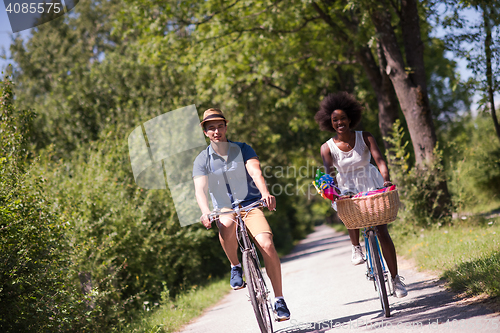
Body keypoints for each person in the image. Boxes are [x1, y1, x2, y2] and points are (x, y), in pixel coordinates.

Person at [192, 108, 291, 320]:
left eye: (220, 126)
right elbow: (200, 189)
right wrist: (205, 212)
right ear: (205, 132)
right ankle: (236, 266)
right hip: (225, 208)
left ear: (226, 127)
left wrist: (265, 193)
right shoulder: (202, 160)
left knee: (266, 244)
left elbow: (255, 171)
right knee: (226, 225)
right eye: (211, 128)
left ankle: (279, 299)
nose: (216, 131)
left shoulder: (243, 149)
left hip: (251, 204)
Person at [314, 92, 408, 298]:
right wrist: (334, 192)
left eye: (343, 118)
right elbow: (329, 173)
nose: (340, 122)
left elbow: (379, 159)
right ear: (330, 123)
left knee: (382, 231)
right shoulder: (327, 147)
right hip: (346, 185)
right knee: (350, 215)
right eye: (335, 120)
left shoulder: (364, 136)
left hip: (371, 182)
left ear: (350, 118)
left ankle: (395, 279)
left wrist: (386, 179)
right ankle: (356, 247)